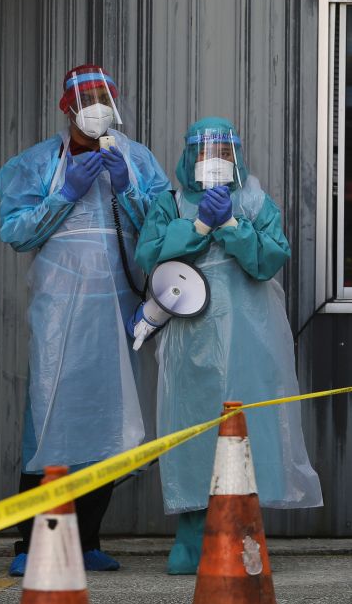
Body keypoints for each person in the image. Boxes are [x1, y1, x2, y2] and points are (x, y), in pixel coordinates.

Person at [0, 64, 171, 576]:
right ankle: (31, 542)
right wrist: (63, 194)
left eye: (105, 98)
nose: (97, 107)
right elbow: (17, 233)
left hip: (116, 305)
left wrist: (127, 190)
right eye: (87, 98)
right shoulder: (39, 164)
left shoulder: (135, 160)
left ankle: (87, 538)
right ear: (66, 107)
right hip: (60, 309)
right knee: (49, 420)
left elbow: (161, 229)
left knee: (107, 421)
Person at [134, 118, 322, 575]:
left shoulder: (256, 201)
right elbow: (151, 257)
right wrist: (197, 225)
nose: (213, 161)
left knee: (250, 424)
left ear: (237, 156)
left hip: (251, 333)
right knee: (193, 430)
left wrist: (234, 224)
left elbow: (269, 260)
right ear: (188, 157)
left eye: (223, 152)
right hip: (190, 336)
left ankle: (240, 532)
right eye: (204, 152)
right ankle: (193, 536)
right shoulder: (170, 203)